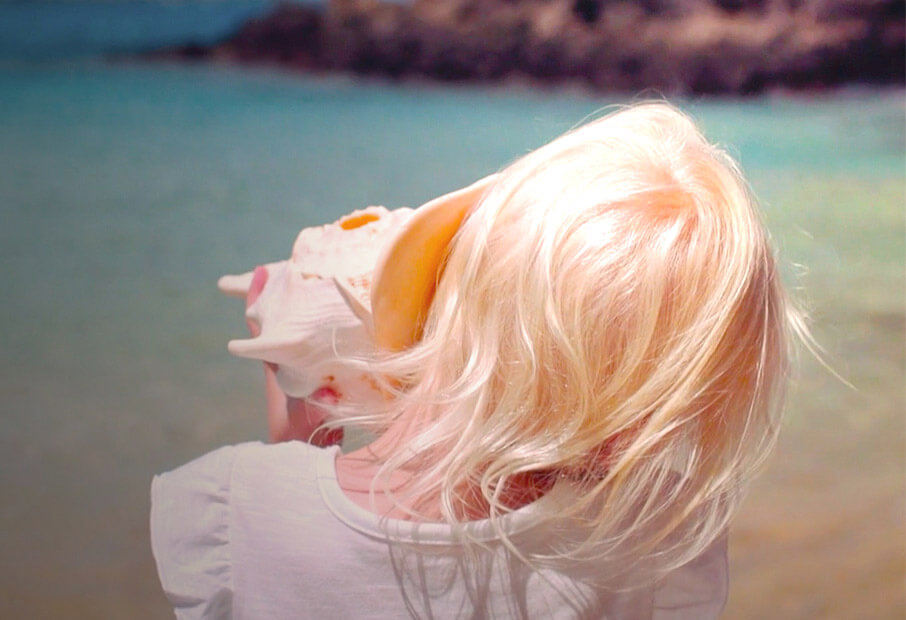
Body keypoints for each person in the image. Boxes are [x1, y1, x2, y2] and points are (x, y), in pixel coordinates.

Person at [151, 102, 802, 619]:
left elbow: (300, 523)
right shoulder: (656, 537)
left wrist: (301, 392)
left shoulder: (234, 511)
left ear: (451, 303)